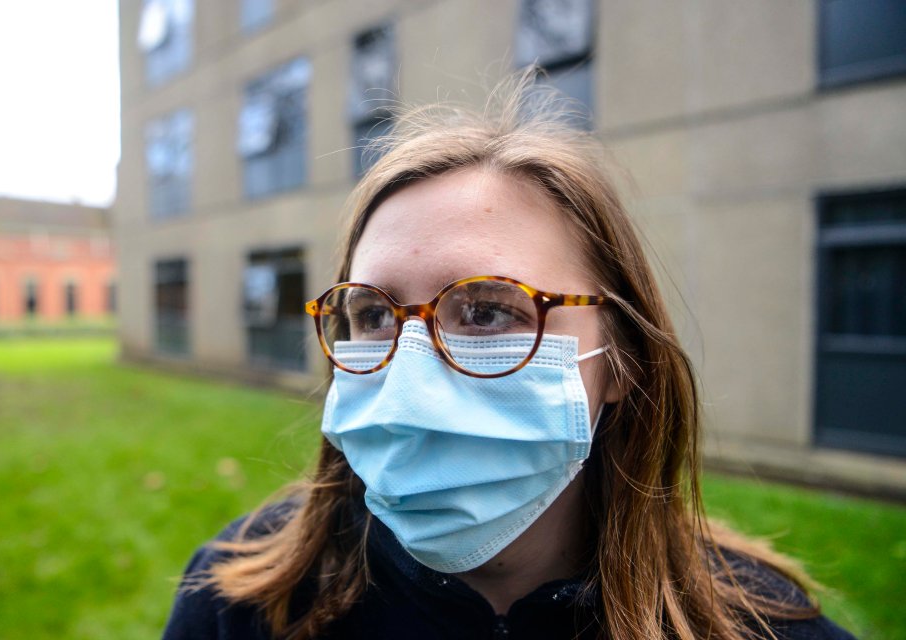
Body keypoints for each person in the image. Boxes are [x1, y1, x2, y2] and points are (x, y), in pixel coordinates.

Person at [162, 71, 856, 640]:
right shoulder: (236, 604)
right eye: (372, 314)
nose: (406, 383)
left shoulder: (766, 628)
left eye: (488, 310)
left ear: (622, 361)